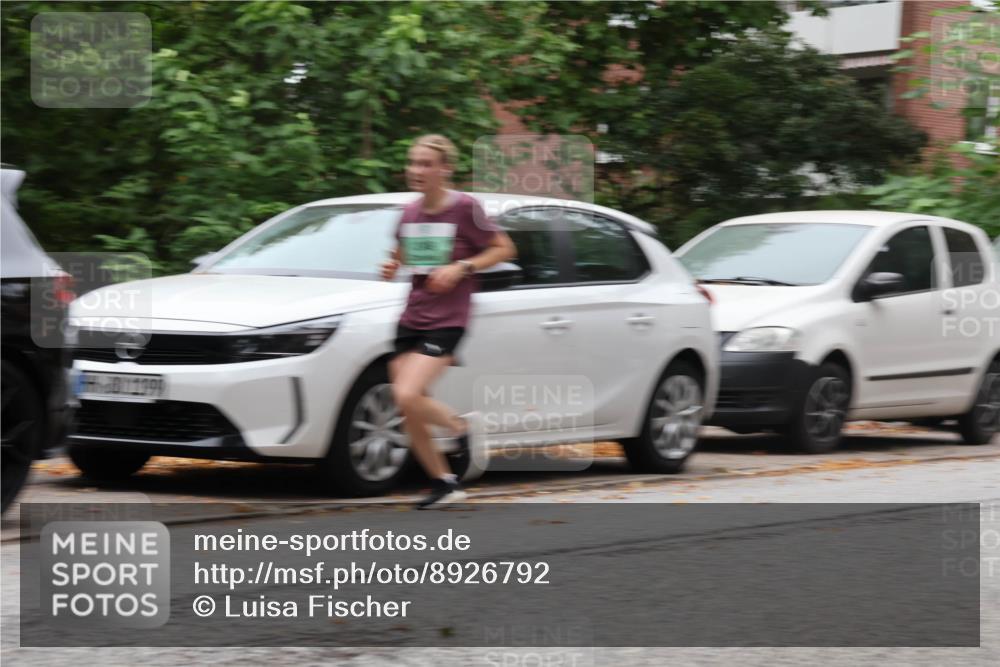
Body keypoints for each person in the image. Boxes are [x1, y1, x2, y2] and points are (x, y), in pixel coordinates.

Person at [380, 134, 516, 509]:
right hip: (412, 314)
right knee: (410, 404)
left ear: (445, 170)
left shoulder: (466, 208)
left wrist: (462, 267)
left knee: (405, 394)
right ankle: (444, 482)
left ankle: (463, 428)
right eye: (413, 163)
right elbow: (404, 255)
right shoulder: (409, 213)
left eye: (425, 164)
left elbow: (505, 248)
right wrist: (392, 265)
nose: (416, 171)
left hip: (449, 318)